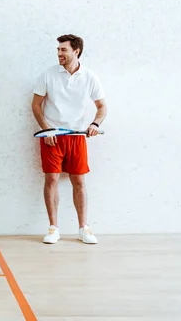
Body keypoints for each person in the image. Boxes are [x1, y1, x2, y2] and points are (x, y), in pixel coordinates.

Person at [31, 34, 107, 244]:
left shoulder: (90, 77)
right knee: (51, 179)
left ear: (76, 51)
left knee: (79, 181)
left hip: (77, 137)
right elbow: (36, 105)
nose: (59, 53)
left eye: (63, 50)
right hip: (52, 136)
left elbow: (102, 107)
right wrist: (46, 130)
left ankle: (84, 228)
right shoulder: (48, 75)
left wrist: (94, 124)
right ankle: (53, 228)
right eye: (58, 50)